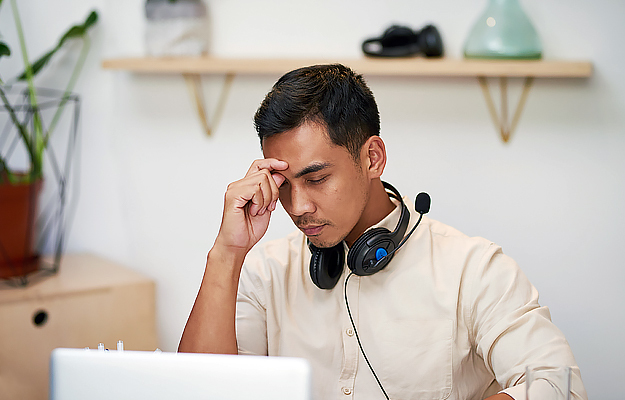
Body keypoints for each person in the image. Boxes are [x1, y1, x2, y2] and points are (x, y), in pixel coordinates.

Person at [178, 64, 587, 400]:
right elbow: (197, 392)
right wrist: (227, 253)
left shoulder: (472, 268)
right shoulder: (265, 272)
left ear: (372, 158)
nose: (298, 207)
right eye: (284, 185)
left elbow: (559, 386)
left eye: (317, 179)